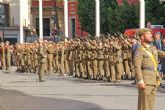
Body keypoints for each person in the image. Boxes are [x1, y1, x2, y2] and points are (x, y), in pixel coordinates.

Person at [134, 28, 165, 110]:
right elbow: (137, 66)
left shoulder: (153, 48)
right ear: (142, 37)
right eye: (148, 34)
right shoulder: (140, 50)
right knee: (144, 105)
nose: (151, 35)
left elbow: (163, 54)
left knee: (151, 105)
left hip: (154, 80)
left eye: (151, 34)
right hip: (145, 81)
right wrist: (140, 80)